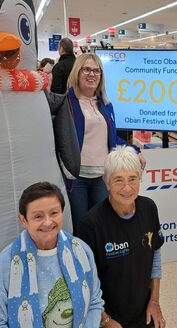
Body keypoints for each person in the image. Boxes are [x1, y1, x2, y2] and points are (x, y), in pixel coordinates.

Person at [0, 182, 104, 328]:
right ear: (23, 220)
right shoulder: (4, 265)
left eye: (54, 213)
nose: (48, 222)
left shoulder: (81, 250)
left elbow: (94, 302)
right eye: (38, 216)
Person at [76, 146, 165, 328]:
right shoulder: (90, 225)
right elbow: (82, 281)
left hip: (144, 312)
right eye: (118, 180)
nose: (127, 188)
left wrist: (155, 301)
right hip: (107, 317)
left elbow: (155, 254)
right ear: (107, 183)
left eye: (133, 179)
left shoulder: (149, 208)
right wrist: (105, 320)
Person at [66, 53, 145, 229]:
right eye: (86, 69)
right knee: (81, 226)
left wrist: (135, 150)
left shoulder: (106, 105)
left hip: (102, 176)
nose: (91, 74)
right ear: (77, 72)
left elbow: (112, 137)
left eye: (96, 70)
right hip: (76, 178)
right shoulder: (66, 103)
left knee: (102, 225)